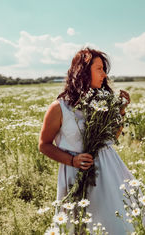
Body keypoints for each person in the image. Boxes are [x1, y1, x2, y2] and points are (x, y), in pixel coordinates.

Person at [39, 48, 139, 235]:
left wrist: (121, 112)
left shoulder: (104, 102)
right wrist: (72, 161)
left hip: (109, 171)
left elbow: (111, 139)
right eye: (99, 69)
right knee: (79, 225)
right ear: (83, 72)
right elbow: (43, 145)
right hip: (76, 172)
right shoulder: (60, 108)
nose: (104, 74)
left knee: (112, 224)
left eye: (104, 69)